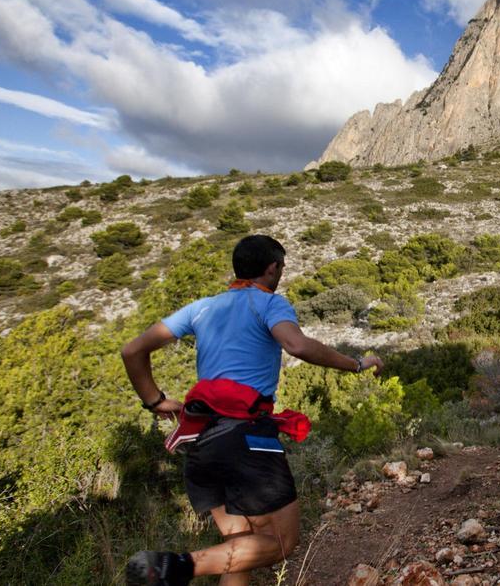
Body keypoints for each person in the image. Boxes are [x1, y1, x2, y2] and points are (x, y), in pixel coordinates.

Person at [121, 234, 382, 586]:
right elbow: (297, 345)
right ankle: (176, 567)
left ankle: (175, 567)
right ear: (272, 268)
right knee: (281, 542)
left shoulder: (202, 307)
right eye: (282, 268)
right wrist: (356, 364)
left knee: (239, 546)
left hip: (200, 438)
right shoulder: (270, 303)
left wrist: (155, 401)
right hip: (246, 437)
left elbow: (132, 351)